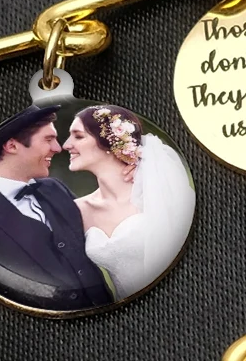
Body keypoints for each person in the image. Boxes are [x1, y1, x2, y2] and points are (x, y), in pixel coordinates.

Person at [0, 107, 114, 312]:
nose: (57, 148)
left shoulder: (55, 188)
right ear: (12, 146)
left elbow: (102, 226)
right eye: (48, 139)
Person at [62, 105, 195, 301]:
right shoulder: (77, 209)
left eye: (78, 136)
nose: (66, 145)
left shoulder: (157, 190)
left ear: (109, 142)